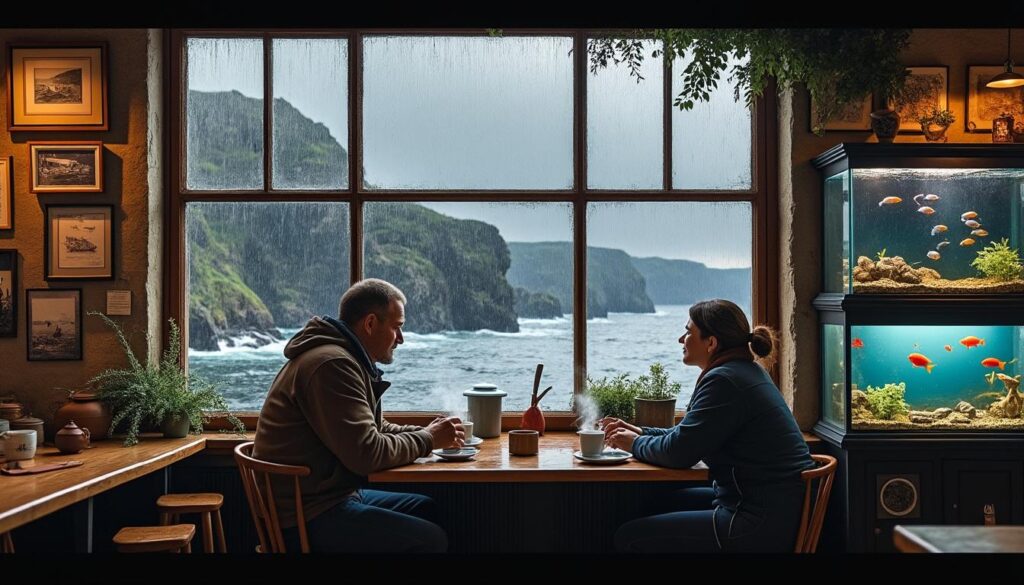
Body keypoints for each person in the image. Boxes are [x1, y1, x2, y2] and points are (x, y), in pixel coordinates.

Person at [254, 278, 463, 553]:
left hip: (327, 497)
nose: (401, 339)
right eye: (397, 327)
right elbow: (367, 453)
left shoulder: (346, 358)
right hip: (304, 515)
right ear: (370, 323)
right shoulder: (332, 365)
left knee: (426, 508)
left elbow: (374, 429)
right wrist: (428, 439)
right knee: (431, 539)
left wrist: (428, 432)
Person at [603, 299, 815, 553]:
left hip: (756, 523)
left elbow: (679, 452)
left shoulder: (725, 381)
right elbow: (690, 435)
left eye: (688, 332)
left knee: (629, 537)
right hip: (773, 510)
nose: (681, 339)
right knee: (659, 503)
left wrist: (635, 444)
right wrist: (641, 432)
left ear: (711, 343)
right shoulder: (743, 371)